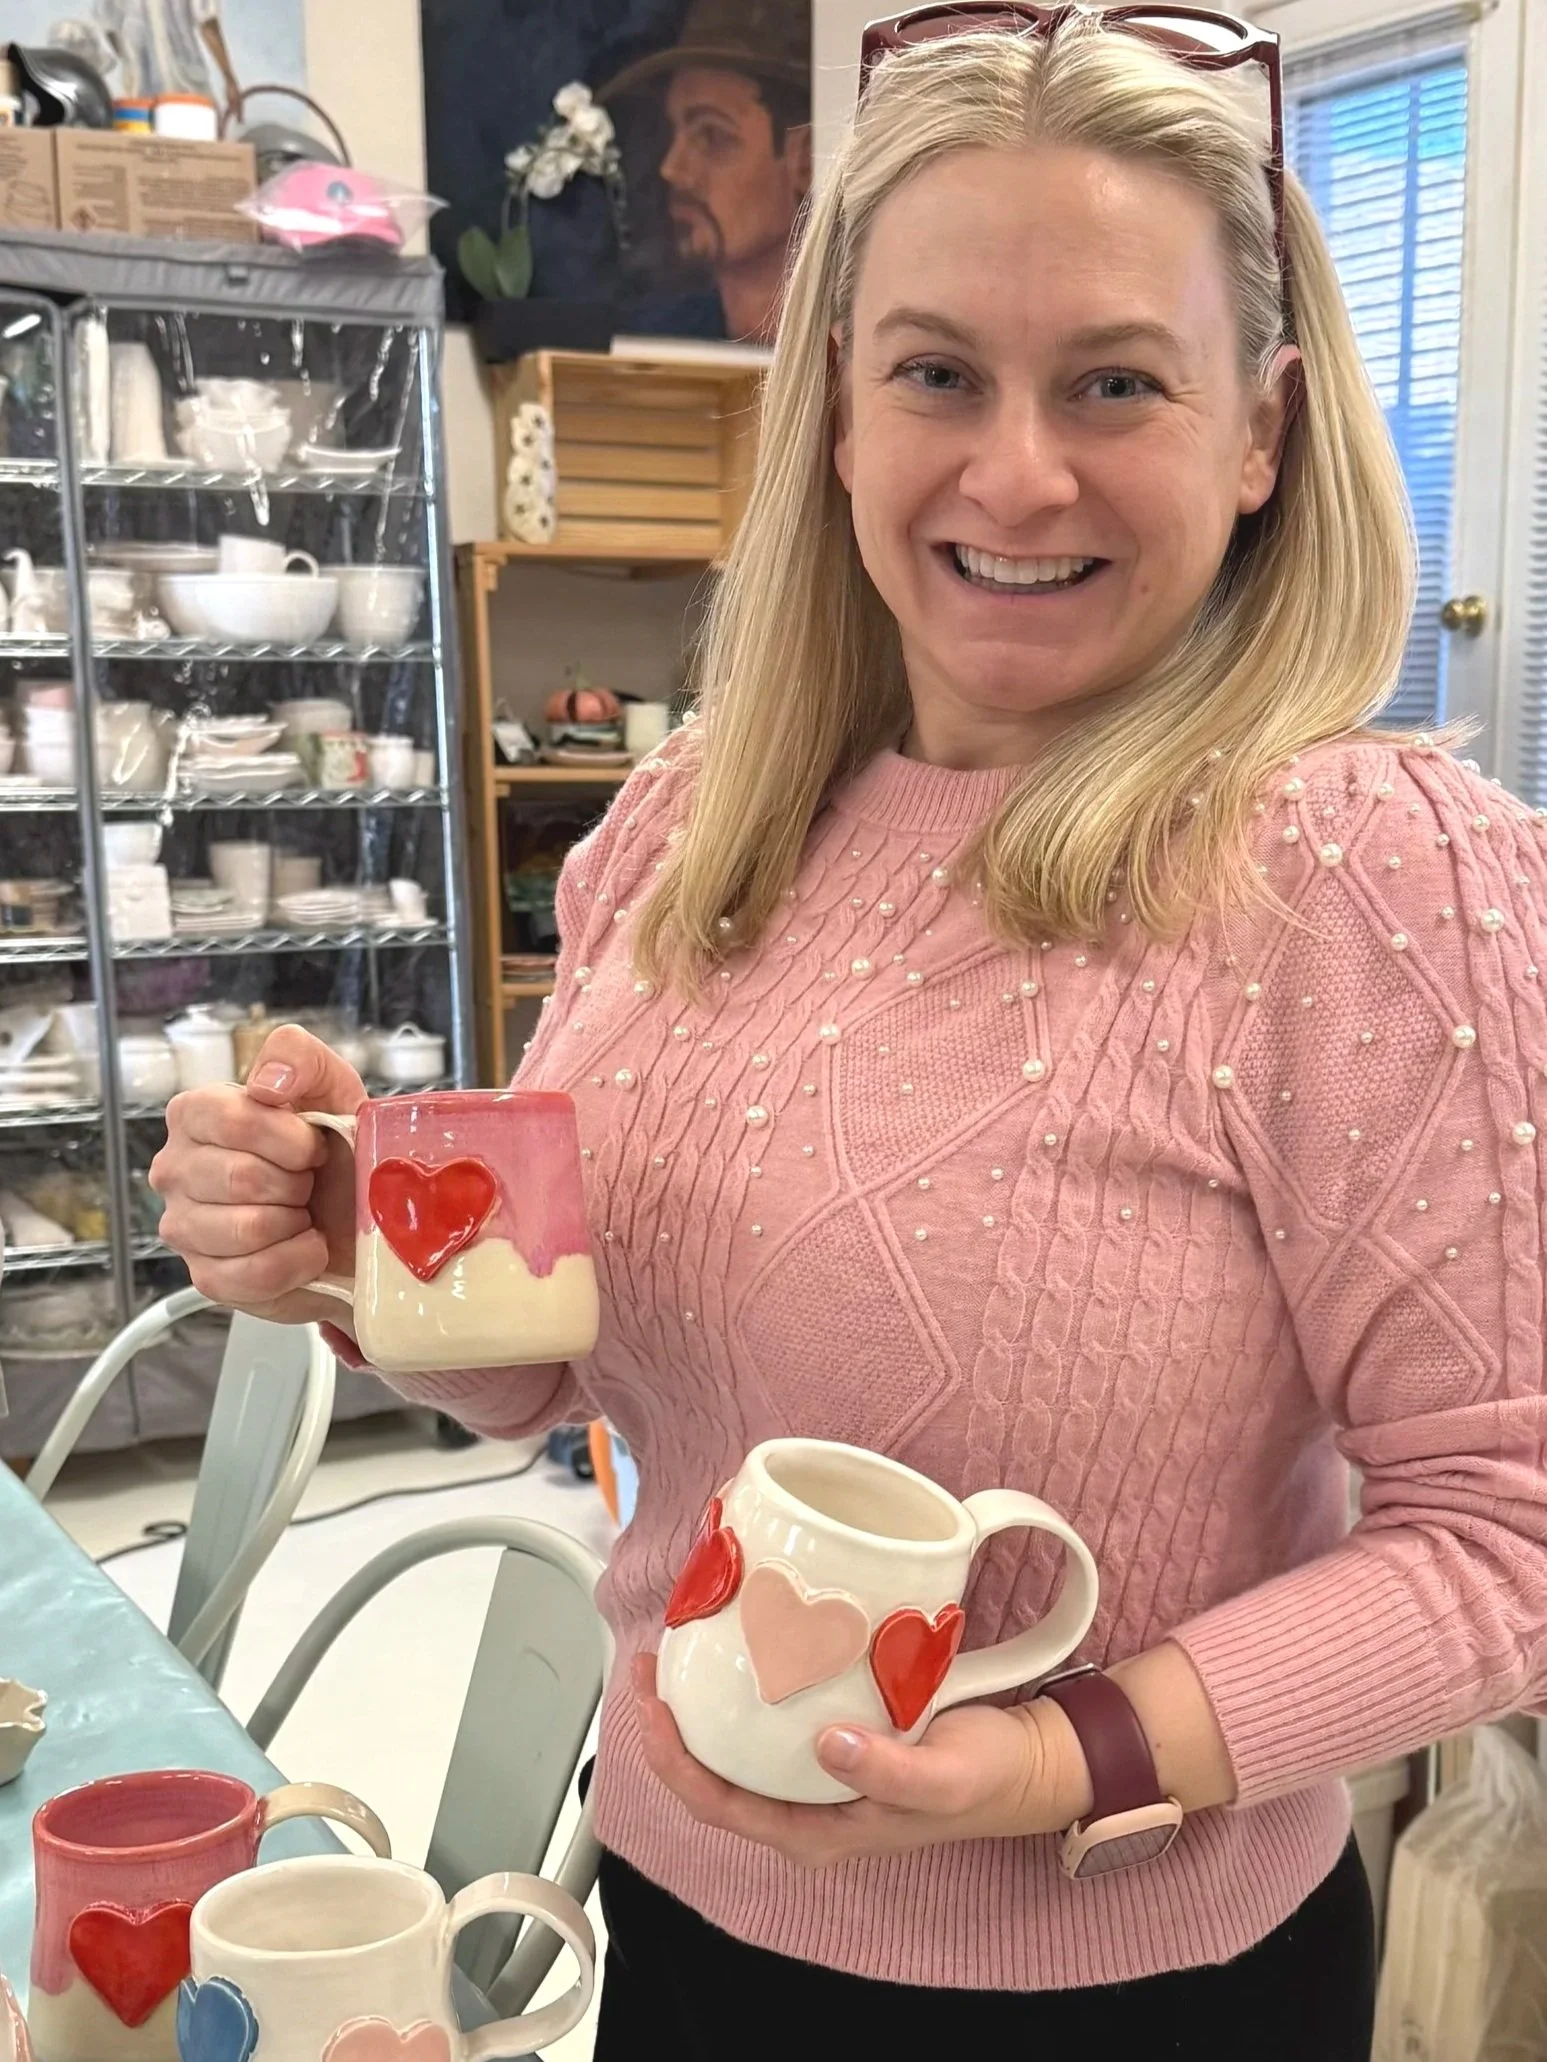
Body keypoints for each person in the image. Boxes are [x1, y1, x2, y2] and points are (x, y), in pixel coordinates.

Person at [150, 9, 1547, 2056]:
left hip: (1127, 2002)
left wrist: (1059, 1752)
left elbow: (1503, 1533)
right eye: (933, 373)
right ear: (831, 404)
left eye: (1113, 382)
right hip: (684, 1912)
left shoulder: (1360, 875)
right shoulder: (690, 826)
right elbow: (560, 1366)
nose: (1014, 470)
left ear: (1257, 429)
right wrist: (353, 1252)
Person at [602, 0, 812, 342]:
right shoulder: (654, 340)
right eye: (673, 131)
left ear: (805, 160)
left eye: (712, 135)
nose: (671, 169)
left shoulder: (855, 346)